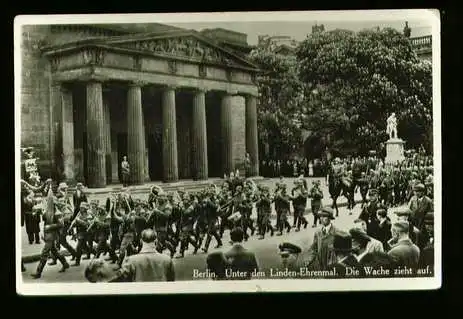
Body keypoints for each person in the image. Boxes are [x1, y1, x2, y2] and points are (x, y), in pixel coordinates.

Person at [110, 229, 175, 282]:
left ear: (141, 241)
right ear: (156, 241)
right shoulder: (167, 260)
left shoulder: (131, 261)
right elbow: (171, 282)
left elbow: (117, 279)